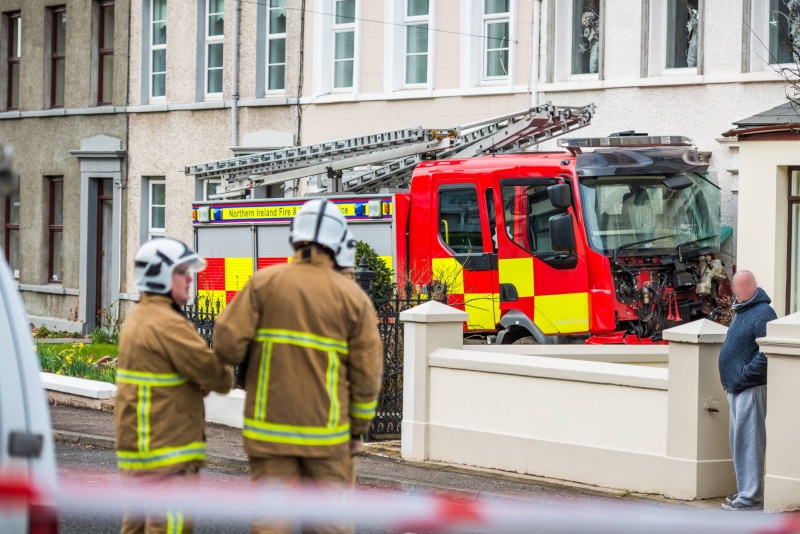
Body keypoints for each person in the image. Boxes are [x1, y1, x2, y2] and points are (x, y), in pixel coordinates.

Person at [212, 199, 383, 534]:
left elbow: (226, 344)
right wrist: (357, 429)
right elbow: (368, 374)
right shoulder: (352, 298)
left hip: (269, 433)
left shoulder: (263, 284)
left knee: (272, 524)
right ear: (337, 242)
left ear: (295, 236)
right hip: (329, 437)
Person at [116, 238, 234, 534]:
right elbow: (219, 378)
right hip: (168, 456)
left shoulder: (138, 319)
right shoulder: (167, 324)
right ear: (161, 275)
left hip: (140, 453)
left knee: (136, 527)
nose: (190, 278)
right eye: (183, 271)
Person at [718, 270, 776, 512]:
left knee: (749, 442)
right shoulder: (742, 310)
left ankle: (751, 497)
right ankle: (745, 492)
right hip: (738, 388)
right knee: (739, 442)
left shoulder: (763, 312)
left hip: (750, 388)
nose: (742, 289)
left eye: (746, 284)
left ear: (754, 285)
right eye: (737, 286)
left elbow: (767, 352)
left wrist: (745, 375)